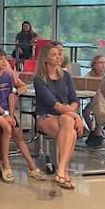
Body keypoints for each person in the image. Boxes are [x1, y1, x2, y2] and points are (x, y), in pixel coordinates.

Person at [0, 48, 45, 184]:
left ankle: (32, 167)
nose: (4, 61)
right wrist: (5, 115)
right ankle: (6, 165)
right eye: (1, 59)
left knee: (18, 135)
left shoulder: (7, 76)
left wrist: (11, 114)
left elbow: (11, 95)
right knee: (7, 128)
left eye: (5, 58)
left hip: (6, 111)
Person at [34, 44, 84, 190]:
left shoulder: (66, 75)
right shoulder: (40, 79)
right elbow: (54, 105)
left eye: (59, 54)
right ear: (45, 59)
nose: (59, 57)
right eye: (54, 54)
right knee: (72, 132)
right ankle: (64, 172)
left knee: (67, 122)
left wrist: (71, 112)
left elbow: (75, 100)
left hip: (64, 116)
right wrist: (76, 117)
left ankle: (60, 171)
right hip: (46, 116)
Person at [84, 54, 105, 147]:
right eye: (100, 62)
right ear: (94, 64)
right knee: (85, 112)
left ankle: (98, 133)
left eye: (104, 63)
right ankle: (93, 131)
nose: (103, 65)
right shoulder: (89, 75)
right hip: (93, 100)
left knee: (98, 112)